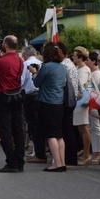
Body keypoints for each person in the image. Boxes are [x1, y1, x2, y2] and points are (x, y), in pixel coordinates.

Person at [0, 36, 25, 173]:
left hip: (4, 96)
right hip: (17, 95)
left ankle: (11, 162)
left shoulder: (1, 61)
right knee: (18, 129)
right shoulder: (20, 60)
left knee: (5, 130)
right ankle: (20, 161)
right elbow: (19, 74)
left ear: (6, 45)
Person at [32, 42, 67, 172]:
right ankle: (62, 161)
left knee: (50, 134)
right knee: (59, 134)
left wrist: (34, 73)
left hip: (47, 102)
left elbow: (37, 83)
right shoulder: (62, 67)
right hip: (59, 102)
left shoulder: (46, 67)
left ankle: (57, 163)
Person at [22, 46, 44, 162]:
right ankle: (36, 150)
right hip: (41, 96)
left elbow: (21, 81)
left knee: (33, 125)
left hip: (30, 96)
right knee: (39, 124)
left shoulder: (25, 64)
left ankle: (38, 152)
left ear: (25, 54)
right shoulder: (41, 63)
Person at [72, 47, 93, 166]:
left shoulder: (84, 70)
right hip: (77, 101)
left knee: (83, 128)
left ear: (80, 58)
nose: (73, 57)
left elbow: (79, 86)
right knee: (80, 128)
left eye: (75, 56)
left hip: (81, 101)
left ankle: (86, 154)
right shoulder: (77, 68)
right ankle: (84, 151)